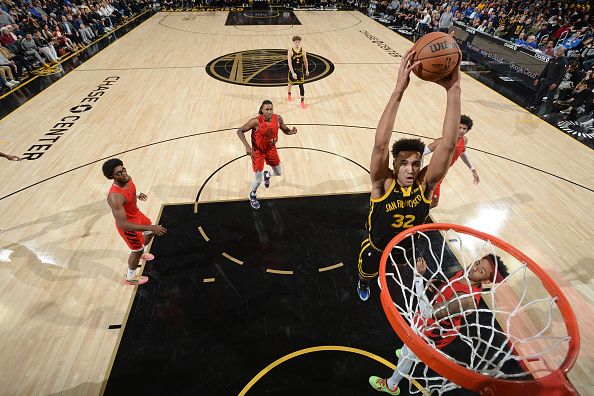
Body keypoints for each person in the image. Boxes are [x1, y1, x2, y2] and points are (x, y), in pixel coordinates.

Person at [357, 47, 462, 301]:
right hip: (376, 247)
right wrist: (398, 90)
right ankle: (364, 284)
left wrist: (453, 89)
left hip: (405, 246)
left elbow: (447, 145)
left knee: (402, 269)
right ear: (395, 164)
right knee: (366, 273)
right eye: (404, 163)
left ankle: (395, 275)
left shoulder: (425, 185)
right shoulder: (383, 183)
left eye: (415, 164)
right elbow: (380, 144)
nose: (410, 169)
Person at [369, 255, 510, 395]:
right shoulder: (465, 273)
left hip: (436, 330)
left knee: (408, 354)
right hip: (433, 319)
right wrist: (437, 285)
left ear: (485, 280)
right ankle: (412, 355)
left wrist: (418, 278)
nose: (475, 267)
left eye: (481, 271)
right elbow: (447, 288)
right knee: (410, 350)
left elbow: (427, 312)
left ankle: (391, 385)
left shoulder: (465, 299)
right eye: (477, 262)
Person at [103, 158, 167, 285]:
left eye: (123, 170)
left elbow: (130, 189)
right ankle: (130, 277)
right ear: (111, 177)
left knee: (149, 232)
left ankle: (141, 250)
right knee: (137, 250)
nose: (123, 174)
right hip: (128, 226)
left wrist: (137, 193)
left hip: (137, 215)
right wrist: (153, 228)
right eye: (118, 173)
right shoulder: (115, 197)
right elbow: (123, 224)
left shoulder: (127, 178)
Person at [236, 100, 297, 210]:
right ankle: (253, 195)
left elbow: (285, 130)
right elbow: (240, 131)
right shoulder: (255, 121)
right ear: (262, 110)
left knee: (278, 172)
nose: (269, 111)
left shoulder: (278, 118)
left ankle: (267, 175)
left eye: (271, 109)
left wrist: (291, 132)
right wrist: (247, 146)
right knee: (258, 180)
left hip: (271, 150)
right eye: (267, 109)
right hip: (258, 152)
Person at [422, 115, 480, 208]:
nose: (461, 130)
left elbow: (462, 153)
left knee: (432, 202)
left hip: (441, 175)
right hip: (432, 175)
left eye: (464, 128)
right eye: (459, 127)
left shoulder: (464, 140)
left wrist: (473, 169)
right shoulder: (442, 141)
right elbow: (422, 152)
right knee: (430, 201)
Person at [529, 46, 568, 115]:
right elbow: (545, 70)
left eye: (560, 51)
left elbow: (562, 75)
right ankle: (534, 106)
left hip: (553, 82)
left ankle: (547, 113)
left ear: (562, 52)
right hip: (546, 80)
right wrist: (538, 78)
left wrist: (555, 83)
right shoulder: (552, 60)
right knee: (539, 93)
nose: (557, 52)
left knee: (549, 98)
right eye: (557, 50)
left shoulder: (564, 62)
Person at [287, 35, 309, 108]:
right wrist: (293, 73)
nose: (297, 43)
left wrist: (307, 69)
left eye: (298, 42)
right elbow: (289, 63)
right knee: (290, 83)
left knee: (301, 85)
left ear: (300, 42)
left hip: (300, 70)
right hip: (293, 71)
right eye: (296, 42)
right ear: (293, 42)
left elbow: (305, 60)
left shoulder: (302, 50)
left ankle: (302, 101)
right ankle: (289, 94)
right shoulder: (290, 51)